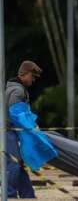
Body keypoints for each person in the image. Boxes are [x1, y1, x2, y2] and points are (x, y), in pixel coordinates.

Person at [5, 60, 42, 198]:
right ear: (24, 74)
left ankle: (28, 196)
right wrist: (32, 127)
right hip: (7, 132)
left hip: (10, 131)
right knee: (13, 165)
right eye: (32, 76)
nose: (33, 80)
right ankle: (9, 196)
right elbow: (17, 114)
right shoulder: (17, 91)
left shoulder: (15, 88)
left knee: (18, 165)